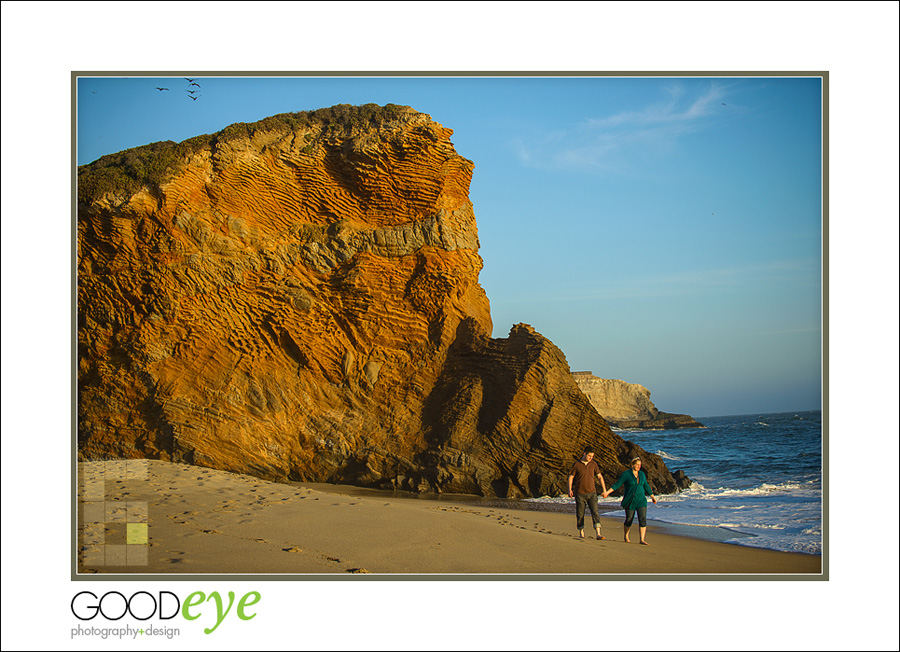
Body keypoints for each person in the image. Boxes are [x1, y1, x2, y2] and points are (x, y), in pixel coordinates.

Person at [602, 457, 657, 545]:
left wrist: (652, 497)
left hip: (641, 500)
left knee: (642, 519)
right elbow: (617, 484)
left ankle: (642, 539)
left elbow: (646, 485)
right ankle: (626, 536)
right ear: (632, 465)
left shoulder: (642, 474)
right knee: (629, 519)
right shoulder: (626, 474)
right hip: (630, 501)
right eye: (637, 465)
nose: (639, 466)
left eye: (640, 465)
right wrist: (607, 492)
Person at [567, 446, 608, 539]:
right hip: (580, 493)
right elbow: (571, 477)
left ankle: (598, 533)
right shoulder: (577, 464)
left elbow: (600, 477)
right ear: (584, 453)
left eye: (592, 456)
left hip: (592, 493)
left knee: (595, 512)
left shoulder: (593, 464)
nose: (591, 458)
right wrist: (570, 489)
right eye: (589, 456)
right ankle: (581, 532)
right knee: (580, 513)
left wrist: (604, 490)